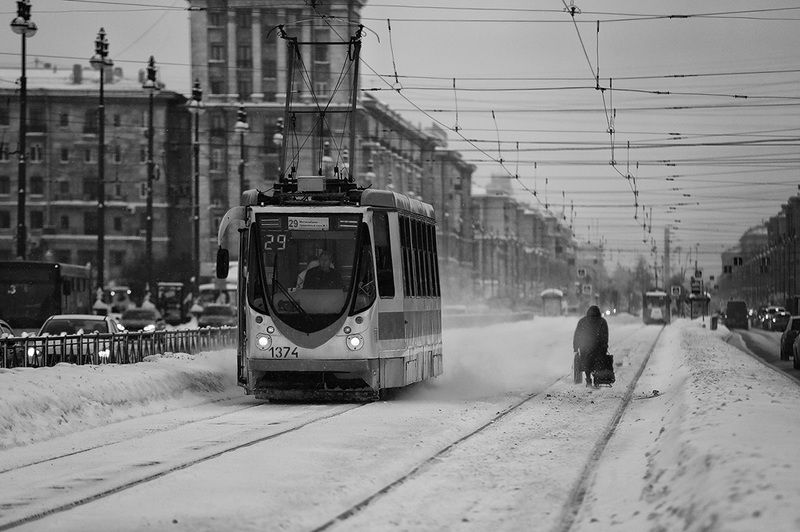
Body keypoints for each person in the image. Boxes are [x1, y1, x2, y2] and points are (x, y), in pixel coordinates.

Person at [572, 305, 609, 387]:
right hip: (598, 347)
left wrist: (576, 347)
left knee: (586, 363)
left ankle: (588, 379)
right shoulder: (602, 321)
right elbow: (605, 335)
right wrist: (604, 346)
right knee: (597, 363)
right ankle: (596, 379)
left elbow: (577, 335)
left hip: (585, 347)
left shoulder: (582, 321)